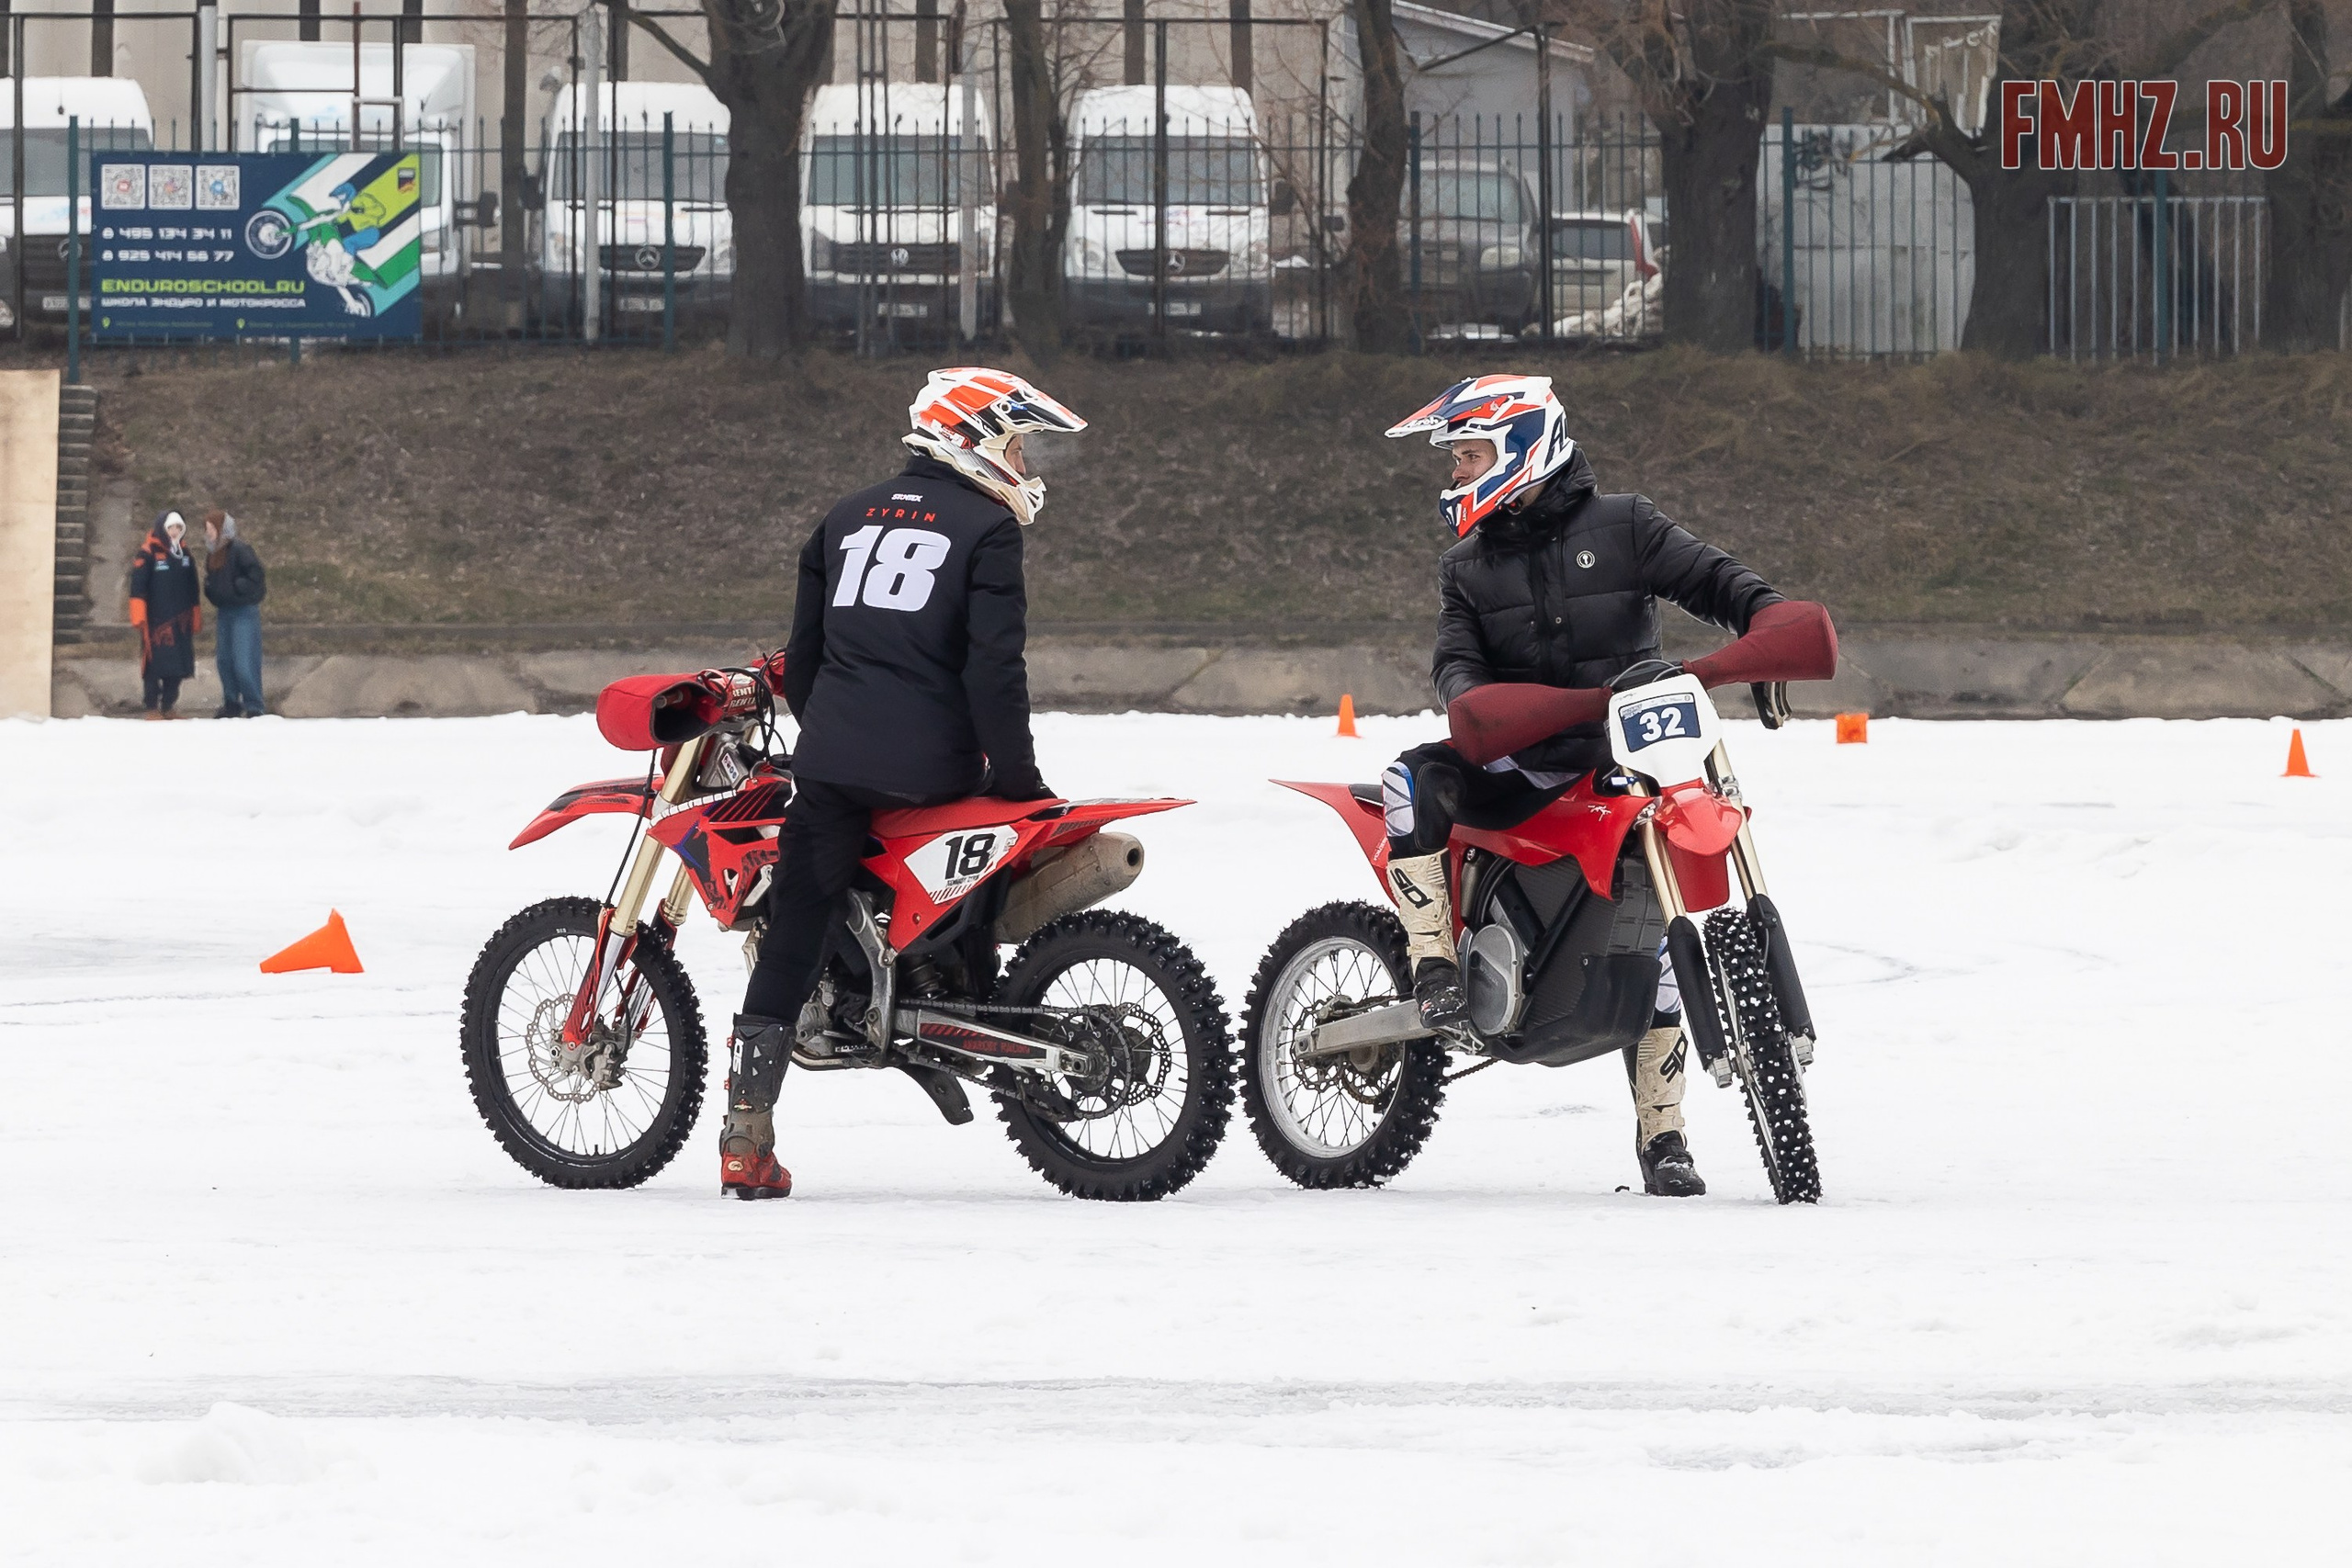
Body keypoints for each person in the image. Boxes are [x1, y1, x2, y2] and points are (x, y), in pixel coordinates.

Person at [1379, 374, 1785, 1199]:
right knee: (1408, 778)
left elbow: (1716, 580)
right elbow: (1455, 665)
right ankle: (1432, 968)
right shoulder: (1465, 567)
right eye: (1455, 458)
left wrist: (1768, 624)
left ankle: (1664, 1135)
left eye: (1468, 455)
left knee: (1663, 909)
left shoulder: (1626, 525)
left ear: (1522, 448)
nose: (1455, 474)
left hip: (1624, 763)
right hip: (1515, 767)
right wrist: (1471, 704)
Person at [719, 367, 1087, 1201]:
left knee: (795, 926)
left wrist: (837, 740)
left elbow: (805, 661)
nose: (1026, 462)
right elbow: (994, 673)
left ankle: (746, 1133)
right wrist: (1021, 781)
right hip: (934, 768)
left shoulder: (842, 518)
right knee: (994, 837)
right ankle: (965, 1000)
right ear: (976, 437)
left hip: (834, 766)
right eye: (1019, 443)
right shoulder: (988, 528)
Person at [129, 512, 202, 720]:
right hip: (155, 620)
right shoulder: (147, 553)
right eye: (171, 528)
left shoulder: (185, 553)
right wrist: (138, 614)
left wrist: (195, 613)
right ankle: (151, 706)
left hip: (181, 620)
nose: (175, 532)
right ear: (163, 528)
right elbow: (138, 586)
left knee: (178, 664)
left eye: (179, 528)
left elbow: (193, 586)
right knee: (153, 664)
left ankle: (169, 705)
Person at [202, 510, 268, 718]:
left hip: (243, 612)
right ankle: (231, 701)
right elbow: (213, 580)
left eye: (211, 529)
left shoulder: (240, 549)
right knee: (225, 660)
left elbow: (256, 575)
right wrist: (210, 590)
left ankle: (254, 704)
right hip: (224, 612)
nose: (208, 533)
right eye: (207, 529)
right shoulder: (213, 554)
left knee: (243, 660)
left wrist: (239, 587)